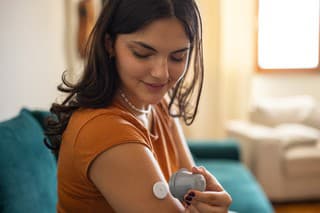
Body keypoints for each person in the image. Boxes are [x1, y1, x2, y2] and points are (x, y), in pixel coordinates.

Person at [45, 0, 232, 212]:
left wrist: (209, 202)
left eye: (178, 56)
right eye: (142, 53)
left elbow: (192, 190)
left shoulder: (158, 104)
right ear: (109, 44)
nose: (162, 73)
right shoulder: (104, 130)